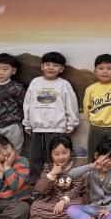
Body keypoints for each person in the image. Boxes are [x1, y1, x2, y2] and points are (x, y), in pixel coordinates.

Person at [23, 51, 80, 184]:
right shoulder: (35, 82)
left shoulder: (64, 84)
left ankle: (56, 185)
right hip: (37, 129)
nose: (51, 68)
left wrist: (72, 124)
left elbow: (71, 104)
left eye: (55, 65)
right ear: (42, 66)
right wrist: (27, 123)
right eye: (47, 64)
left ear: (61, 69)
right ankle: (36, 185)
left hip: (57, 129)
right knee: (36, 158)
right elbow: (27, 103)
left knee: (56, 159)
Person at [27, 135, 84, 219]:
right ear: (51, 154)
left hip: (70, 201)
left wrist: (63, 200)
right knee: (35, 207)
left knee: (78, 208)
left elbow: (77, 188)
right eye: (56, 154)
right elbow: (40, 189)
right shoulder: (47, 168)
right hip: (51, 201)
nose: (61, 157)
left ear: (71, 152)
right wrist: (52, 174)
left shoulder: (77, 168)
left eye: (64, 153)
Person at [84, 54, 111, 167]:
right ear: (95, 72)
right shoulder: (91, 89)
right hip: (96, 127)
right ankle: (92, 176)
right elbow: (87, 109)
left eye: (109, 68)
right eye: (101, 68)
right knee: (94, 154)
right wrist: (93, 121)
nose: (105, 71)